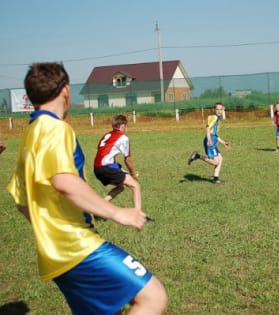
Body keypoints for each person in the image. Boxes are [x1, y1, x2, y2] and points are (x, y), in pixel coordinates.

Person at [7, 62, 167, 315]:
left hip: (53, 253)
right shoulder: (56, 129)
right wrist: (116, 213)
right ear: (66, 90)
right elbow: (64, 182)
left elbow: (21, 200)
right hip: (78, 246)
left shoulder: (29, 134)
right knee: (153, 297)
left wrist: (51, 230)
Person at [94, 114, 141, 212]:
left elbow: (104, 152)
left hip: (97, 169)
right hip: (107, 168)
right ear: (123, 126)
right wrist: (132, 174)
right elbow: (127, 159)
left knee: (120, 186)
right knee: (135, 185)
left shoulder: (106, 135)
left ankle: (99, 207)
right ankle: (138, 215)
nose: (126, 129)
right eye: (126, 126)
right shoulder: (123, 137)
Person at [187, 102, 231, 184]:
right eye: (217, 109)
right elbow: (207, 128)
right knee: (216, 162)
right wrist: (209, 139)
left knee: (220, 159)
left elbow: (215, 134)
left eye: (221, 109)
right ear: (214, 110)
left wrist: (223, 142)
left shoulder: (217, 118)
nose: (219, 111)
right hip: (210, 141)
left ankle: (215, 178)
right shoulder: (214, 117)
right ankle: (197, 156)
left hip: (213, 140)